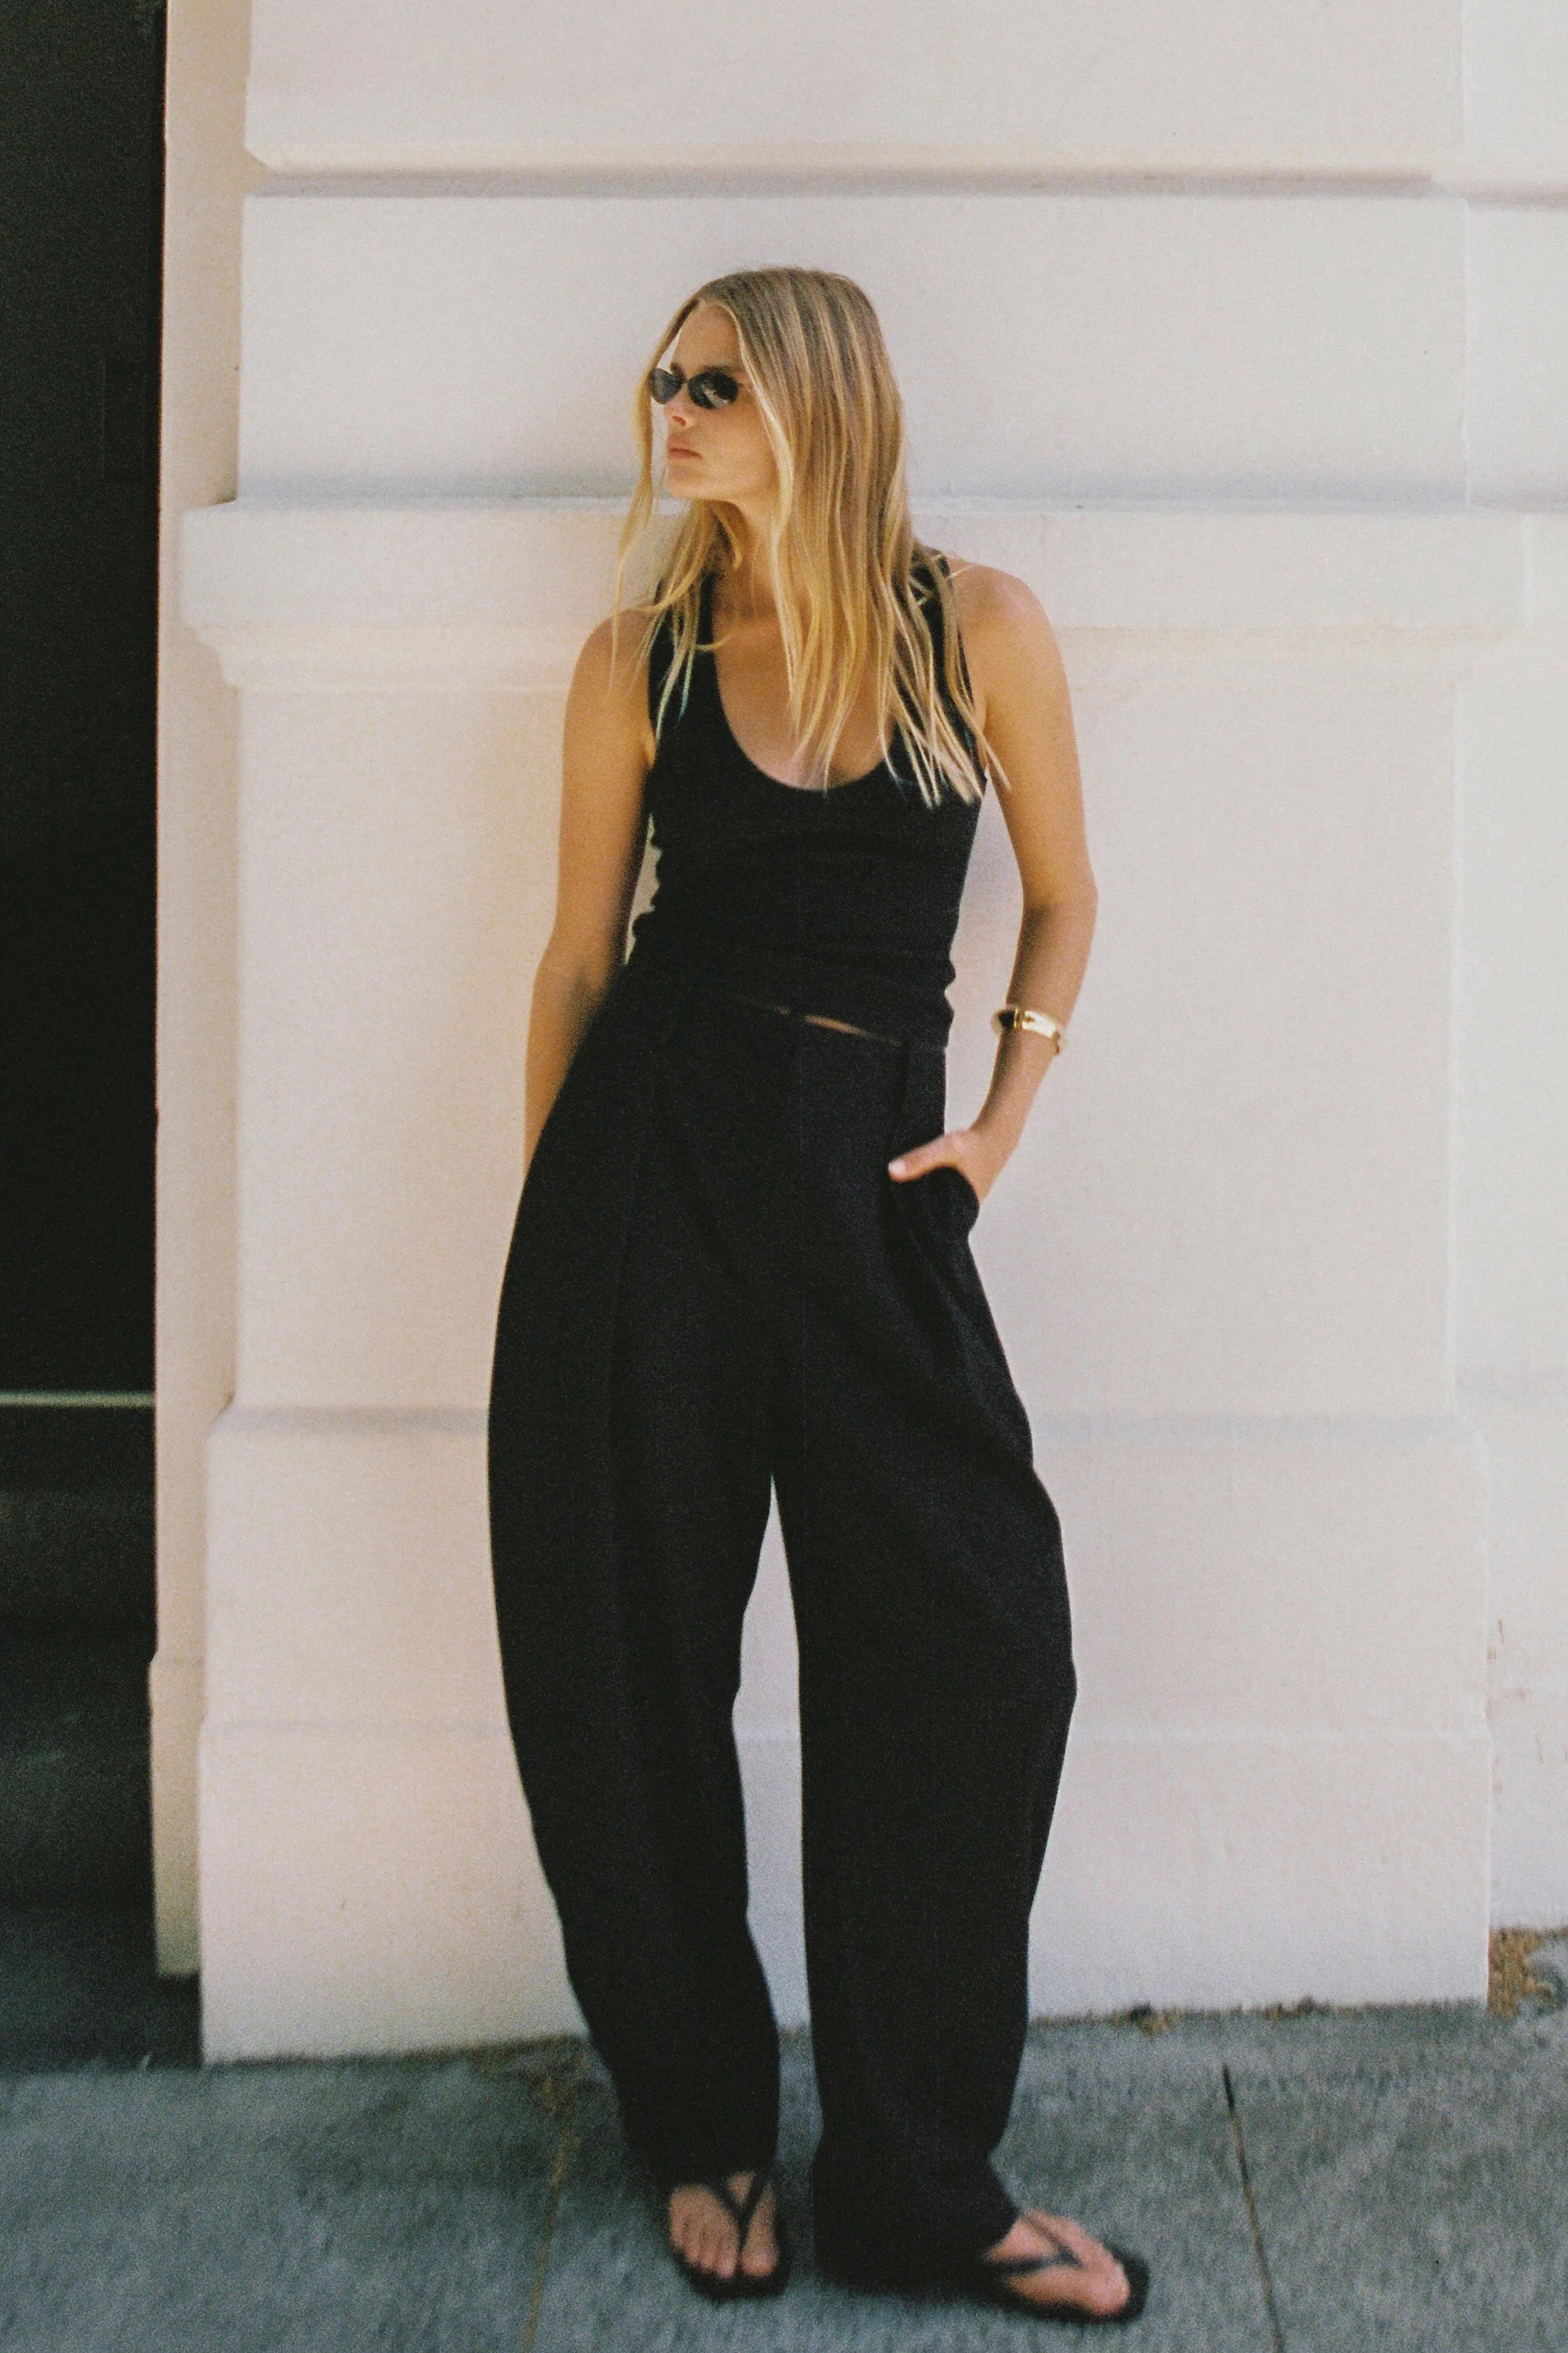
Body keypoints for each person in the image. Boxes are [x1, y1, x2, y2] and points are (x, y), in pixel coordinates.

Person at [485, 267, 1147, 2326]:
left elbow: (1067, 894)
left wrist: (1004, 1121)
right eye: (662, 379)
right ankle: (706, 2123)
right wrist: (559, 1241)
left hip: (878, 1198)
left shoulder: (979, 632)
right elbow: (578, 959)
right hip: (646, 1187)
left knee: (975, 1649)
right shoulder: (642, 658)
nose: (669, 411)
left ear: (820, 402)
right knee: (624, 1670)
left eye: (713, 381)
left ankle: (915, 2177)